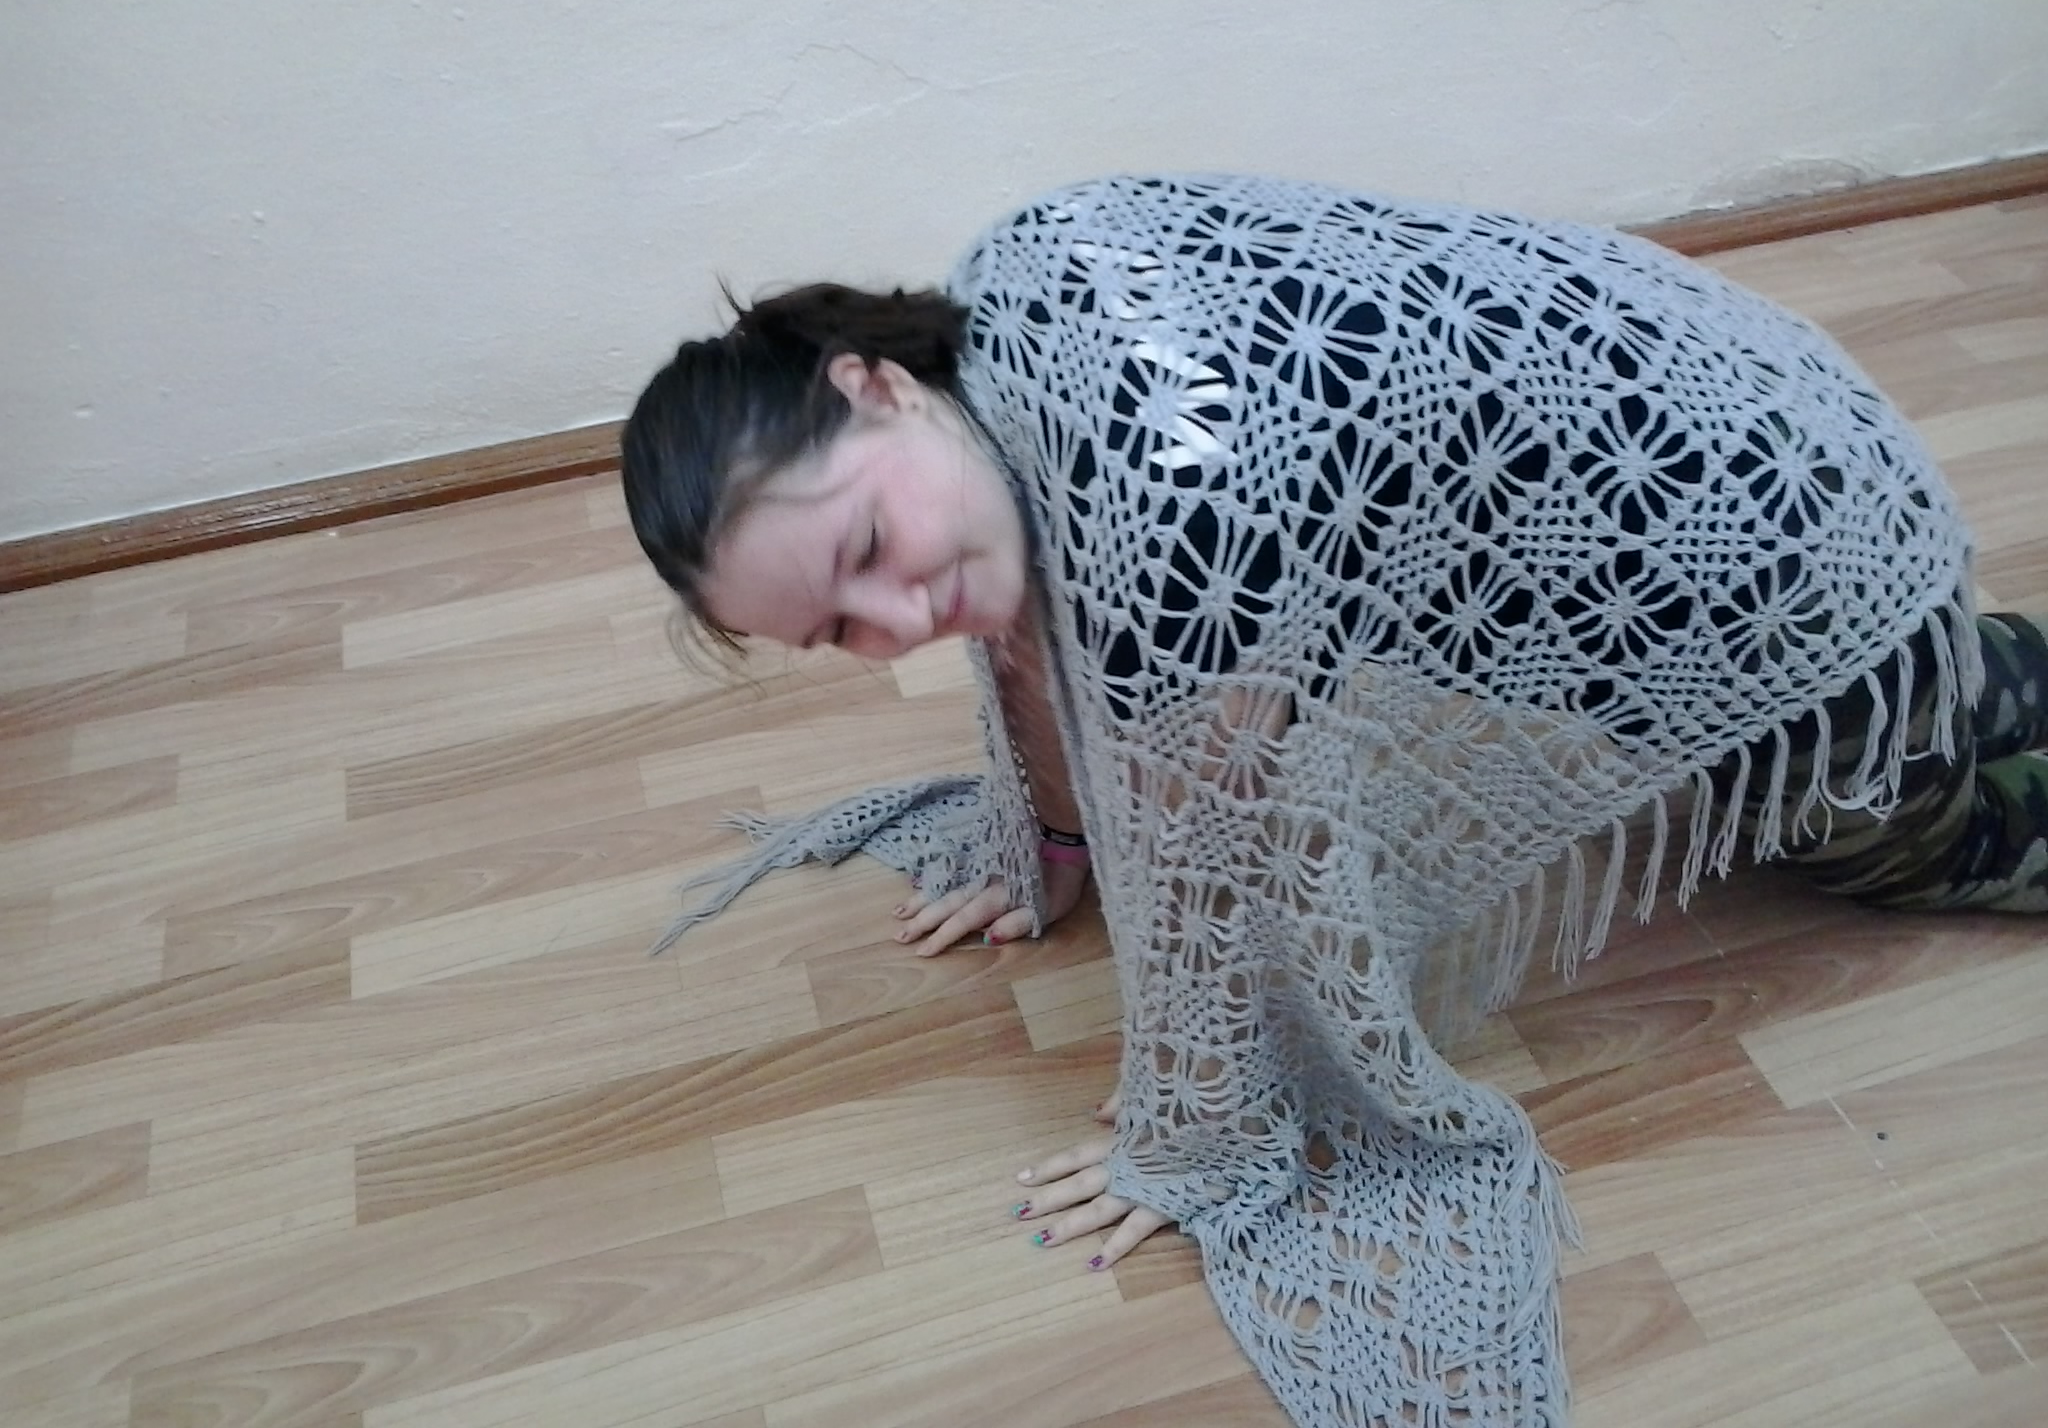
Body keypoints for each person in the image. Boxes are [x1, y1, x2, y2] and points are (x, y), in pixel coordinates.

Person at [621, 174, 2047, 1427]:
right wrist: (1047, 830)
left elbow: (1224, 874)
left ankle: (1948, 736)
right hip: (1778, 425)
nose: (899, 620)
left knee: (1918, 832)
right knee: (1963, 687)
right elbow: (1039, 644)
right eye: (839, 631)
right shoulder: (1009, 289)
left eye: (868, 547)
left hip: (1781, 576)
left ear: (873, 387)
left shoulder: (1174, 505)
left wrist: (1191, 1130)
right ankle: (1967, 669)